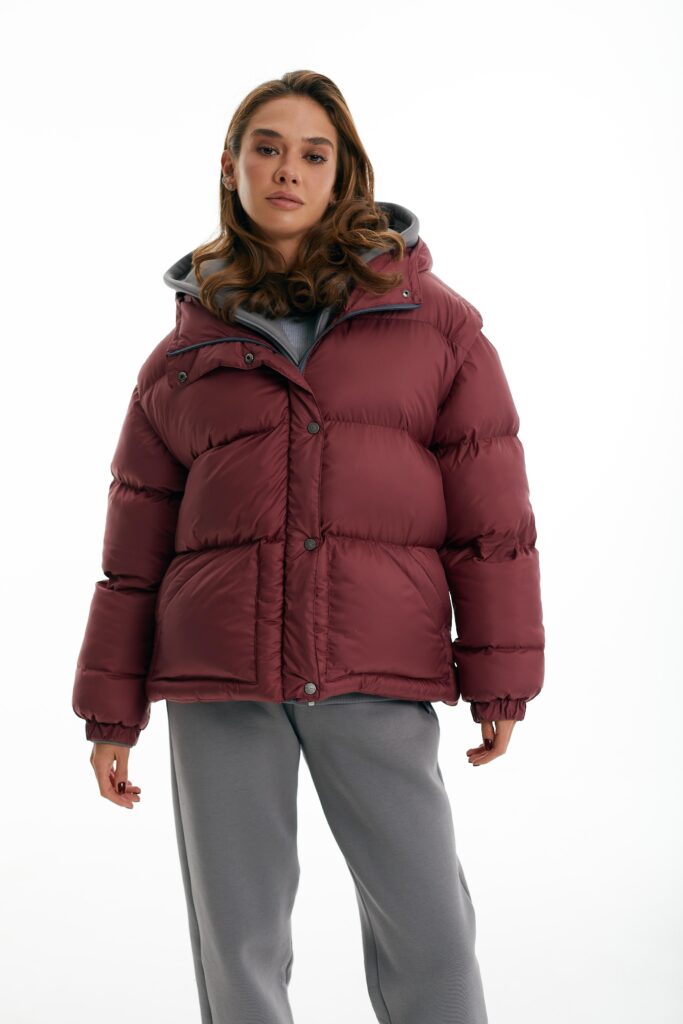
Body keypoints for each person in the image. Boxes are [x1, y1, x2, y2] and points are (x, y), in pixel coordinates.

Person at [72, 69, 544, 1024]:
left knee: (428, 930)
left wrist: (501, 680)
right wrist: (111, 711)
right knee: (236, 941)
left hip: (375, 660)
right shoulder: (178, 358)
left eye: (312, 154)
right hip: (219, 677)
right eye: (267, 148)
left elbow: (491, 518)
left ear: (344, 174)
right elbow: (133, 551)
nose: (288, 169)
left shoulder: (438, 325)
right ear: (232, 167)